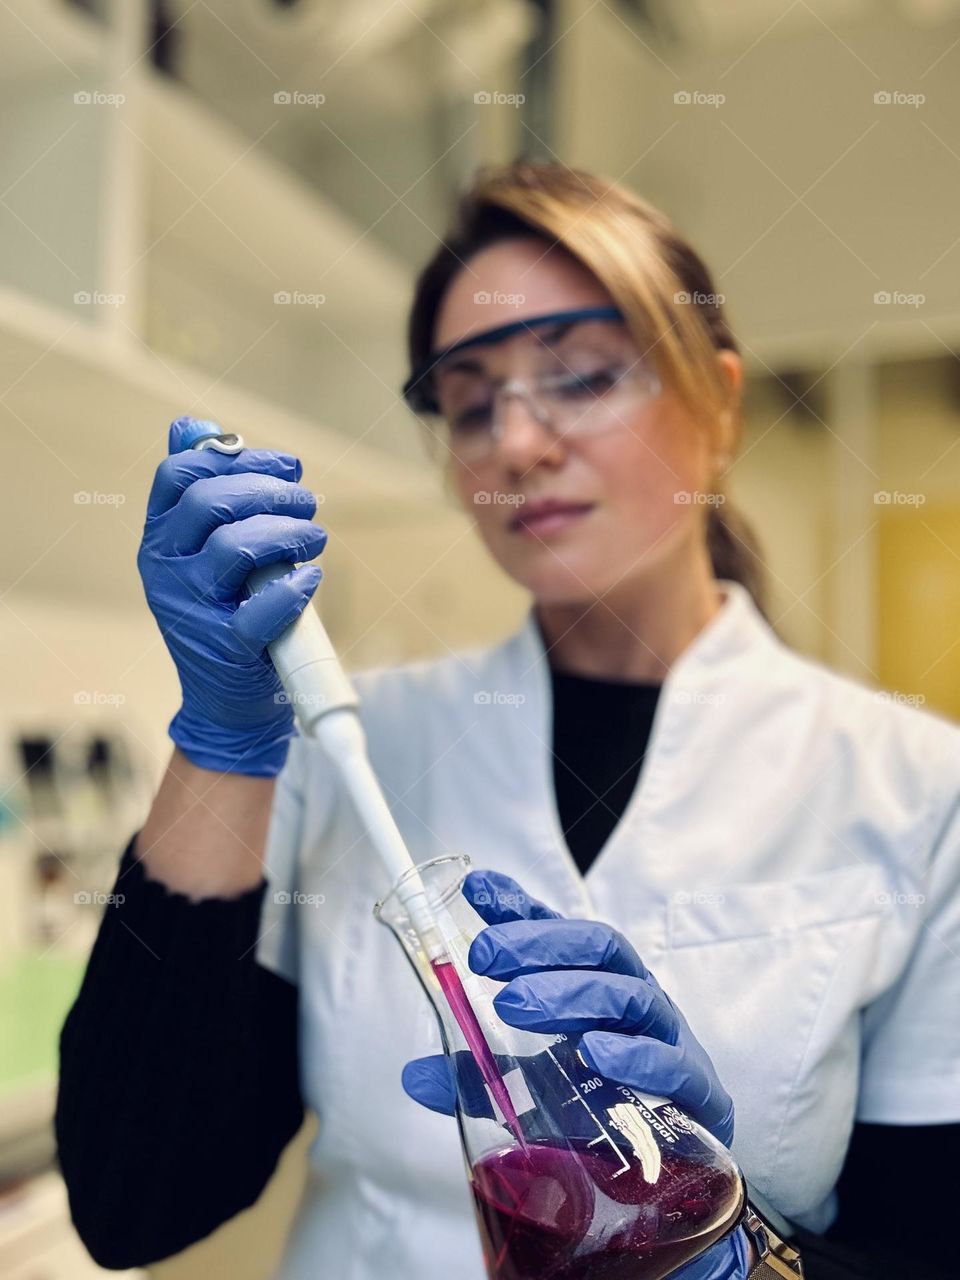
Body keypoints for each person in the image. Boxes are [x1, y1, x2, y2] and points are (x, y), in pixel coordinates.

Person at [56, 161, 960, 1280]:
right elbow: (132, 1200)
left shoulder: (918, 785)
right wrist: (221, 739)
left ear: (719, 401)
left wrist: (732, 1251)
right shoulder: (354, 739)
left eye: (579, 376)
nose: (517, 443)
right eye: (472, 400)